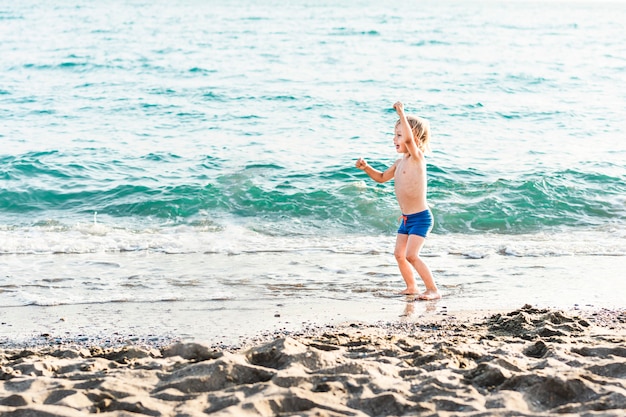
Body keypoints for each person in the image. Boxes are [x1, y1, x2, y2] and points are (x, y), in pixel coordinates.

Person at [355, 102, 441, 300]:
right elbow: (382, 177)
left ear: (413, 138)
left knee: (411, 255)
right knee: (399, 255)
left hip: (421, 218)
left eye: (399, 135)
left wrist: (401, 112)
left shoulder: (417, 158)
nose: (395, 139)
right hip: (406, 219)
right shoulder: (399, 163)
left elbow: (410, 140)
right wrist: (366, 167)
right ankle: (412, 287)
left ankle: (433, 290)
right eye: (394, 134)